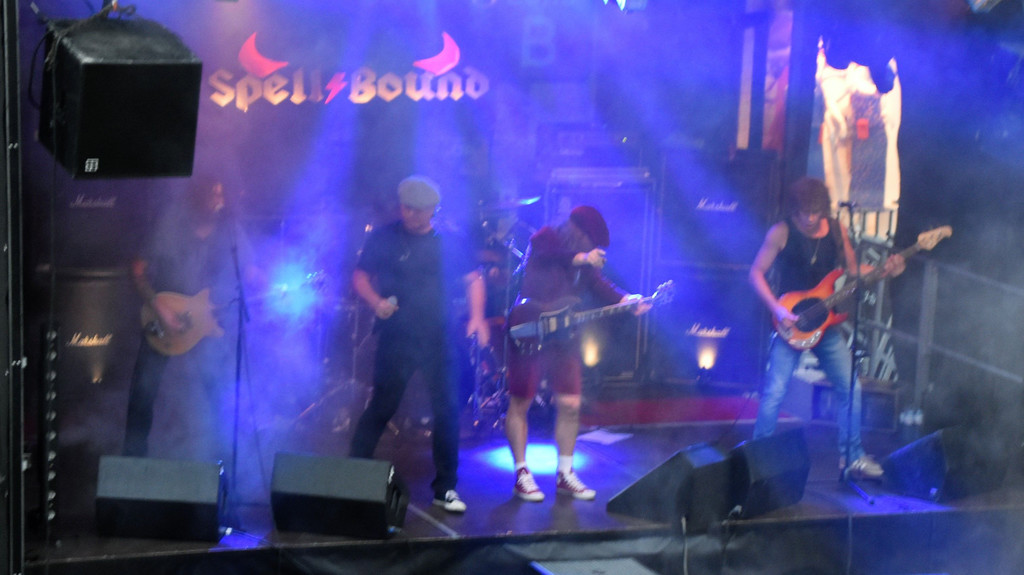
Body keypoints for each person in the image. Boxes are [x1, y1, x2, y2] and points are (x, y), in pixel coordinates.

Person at [348, 175, 490, 514]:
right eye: (406, 208)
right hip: (397, 335)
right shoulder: (384, 238)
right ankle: (352, 475)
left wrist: (477, 317)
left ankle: (446, 488)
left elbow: (473, 279)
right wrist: (376, 302)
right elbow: (360, 276)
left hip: (439, 337)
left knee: (447, 410)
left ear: (432, 210)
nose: (410, 214)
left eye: (418, 210)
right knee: (382, 405)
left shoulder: (449, 242)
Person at [748, 177, 905, 479]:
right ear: (795, 209)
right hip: (791, 324)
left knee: (850, 387)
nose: (809, 218)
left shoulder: (835, 229)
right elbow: (756, 273)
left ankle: (853, 456)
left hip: (825, 322)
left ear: (824, 209)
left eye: (815, 212)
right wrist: (777, 308)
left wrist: (885, 270)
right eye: (804, 212)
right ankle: (756, 459)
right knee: (774, 392)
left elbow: (853, 270)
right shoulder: (781, 232)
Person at [505, 206, 650, 502]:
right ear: (576, 231)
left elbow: (599, 284)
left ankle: (565, 473)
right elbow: (550, 257)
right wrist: (583, 258)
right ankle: (521, 473)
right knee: (521, 401)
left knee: (570, 404)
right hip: (529, 326)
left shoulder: (585, 261)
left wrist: (626, 299)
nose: (592, 248)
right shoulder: (544, 238)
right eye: (589, 241)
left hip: (563, 334)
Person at [123, 174, 261, 464]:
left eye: (222, 195)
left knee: (219, 394)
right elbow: (137, 270)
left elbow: (250, 273)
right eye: (213, 194)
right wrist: (159, 306)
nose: (219, 201)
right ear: (199, 196)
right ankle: (132, 461)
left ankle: (222, 465)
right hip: (163, 317)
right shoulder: (170, 224)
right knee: (143, 393)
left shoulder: (230, 231)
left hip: (205, 323)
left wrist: (279, 287)